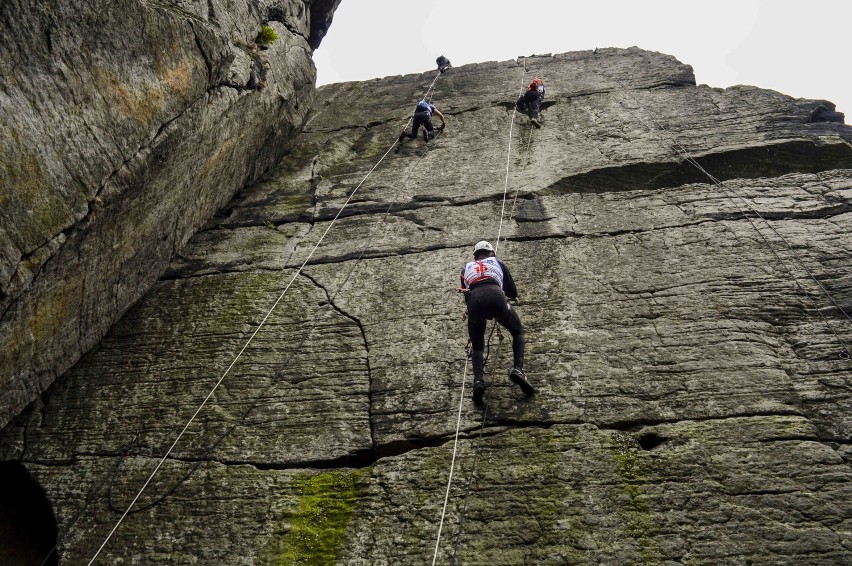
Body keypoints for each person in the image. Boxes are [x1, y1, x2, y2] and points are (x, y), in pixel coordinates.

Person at [459, 240, 533, 405]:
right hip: (496, 295)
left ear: (475, 256)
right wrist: (498, 303)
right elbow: (513, 292)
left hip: (475, 302)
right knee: (518, 332)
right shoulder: (497, 262)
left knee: (477, 346)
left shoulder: (466, 268)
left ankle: (478, 382)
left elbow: (467, 296)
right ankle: (518, 370)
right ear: (491, 253)